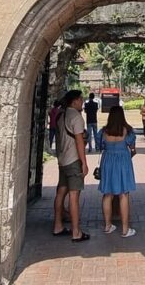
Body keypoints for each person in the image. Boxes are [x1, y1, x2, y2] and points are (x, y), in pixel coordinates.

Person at [52, 90, 91, 243]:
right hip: (73, 159)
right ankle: (76, 231)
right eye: (81, 99)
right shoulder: (76, 117)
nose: (82, 102)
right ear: (74, 101)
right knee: (74, 196)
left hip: (63, 159)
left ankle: (58, 226)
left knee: (61, 191)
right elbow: (79, 141)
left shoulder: (61, 115)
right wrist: (84, 162)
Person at [98, 105, 138, 238]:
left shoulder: (103, 131)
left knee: (107, 194)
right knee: (123, 194)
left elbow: (101, 145)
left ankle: (108, 226)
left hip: (108, 160)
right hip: (123, 161)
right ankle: (125, 229)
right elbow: (132, 147)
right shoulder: (128, 131)